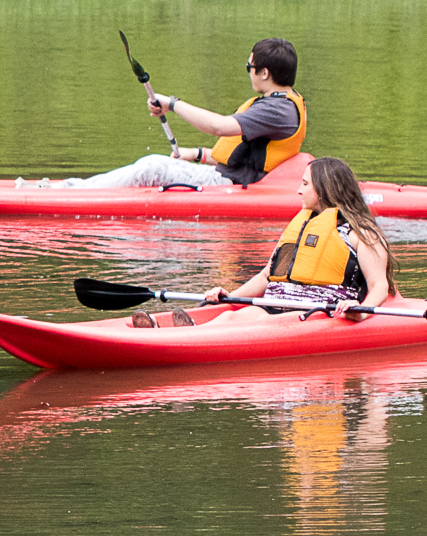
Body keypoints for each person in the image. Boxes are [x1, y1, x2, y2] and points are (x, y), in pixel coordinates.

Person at [155, 156, 395, 329]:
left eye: (304, 184)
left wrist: (361, 313)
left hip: (316, 313)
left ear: (323, 190)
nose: (298, 190)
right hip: (275, 304)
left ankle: (186, 336)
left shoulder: (362, 233)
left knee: (260, 323)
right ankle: (179, 331)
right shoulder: (300, 226)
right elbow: (265, 277)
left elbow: (379, 285)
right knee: (230, 318)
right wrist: (228, 296)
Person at [67, 37, 305, 190]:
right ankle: (78, 187)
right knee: (151, 166)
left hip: (229, 184)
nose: (248, 73)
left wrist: (171, 104)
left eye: (249, 68)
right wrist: (196, 153)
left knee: (153, 167)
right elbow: (244, 157)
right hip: (225, 176)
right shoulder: (276, 104)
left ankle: (72, 191)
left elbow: (219, 127)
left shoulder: (277, 110)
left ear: (264, 73)